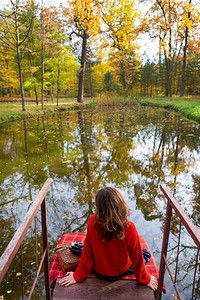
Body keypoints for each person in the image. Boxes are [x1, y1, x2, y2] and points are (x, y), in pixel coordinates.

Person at [58, 187, 158, 291]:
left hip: (99, 272)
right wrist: (145, 279)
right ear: (120, 205)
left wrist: (77, 276)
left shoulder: (92, 221)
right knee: (144, 253)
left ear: (99, 208)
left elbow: (87, 253)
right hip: (121, 271)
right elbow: (137, 259)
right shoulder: (129, 228)